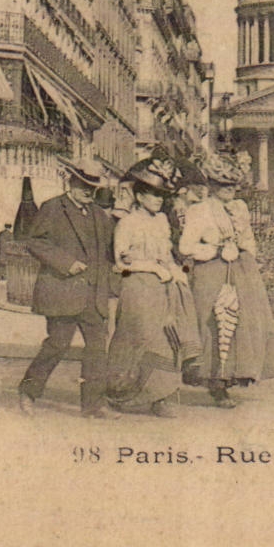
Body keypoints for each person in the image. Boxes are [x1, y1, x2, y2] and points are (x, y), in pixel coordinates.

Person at [16, 158, 120, 420]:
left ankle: (93, 405)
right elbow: (34, 242)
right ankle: (28, 392)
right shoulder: (53, 208)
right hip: (63, 291)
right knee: (57, 345)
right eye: (83, 185)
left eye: (93, 186)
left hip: (94, 294)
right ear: (70, 181)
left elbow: (109, 251)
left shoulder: (99, 214)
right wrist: (65, 262)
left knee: (97, 349)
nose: (88, 190)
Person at [178, 155, 274, 407]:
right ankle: (215, 383)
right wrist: (214, 250)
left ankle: (233, 376)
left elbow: (248, 239)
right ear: (212, 186)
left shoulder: (240, 209)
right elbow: (186, 246)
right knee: (213, 323)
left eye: (233, 186)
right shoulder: (199, 211)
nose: (230, 191)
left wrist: (245, 254)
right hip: (210, 271)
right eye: (224, 185)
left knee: (243, 322)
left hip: (240, 269)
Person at [106, 158, 196, 417]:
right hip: (136, 287)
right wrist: (152, 268)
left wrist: (177, 272)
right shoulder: (126, 223)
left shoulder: (162, 222)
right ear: (140, 195)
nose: (159, 200)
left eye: (162, 195)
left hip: (163, 288)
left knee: (167, 340)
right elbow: (120, 263)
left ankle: (162, 397)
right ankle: (121, 392)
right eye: (154, 194)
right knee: (138, 337)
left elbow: (167, 255)